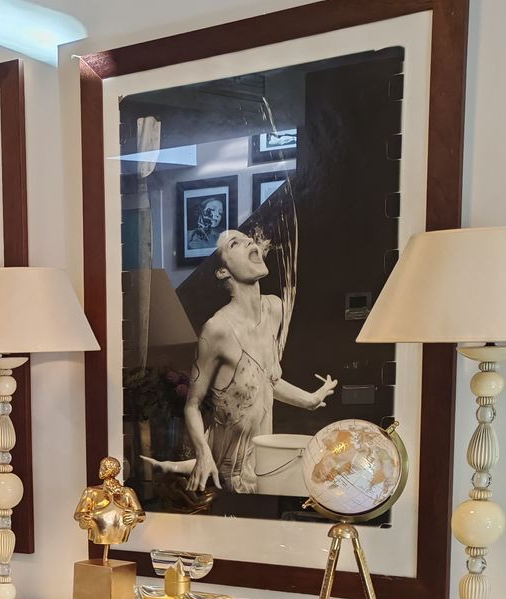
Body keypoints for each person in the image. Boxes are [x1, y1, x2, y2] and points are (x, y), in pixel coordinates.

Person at [145, 226, 336, 494]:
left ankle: (169, 467)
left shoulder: (275, 308)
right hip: (226, 476)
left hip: (262, 466)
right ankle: (170, 467)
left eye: (249, 239)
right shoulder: (217, 329)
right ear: (223, 272)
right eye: (235, 243)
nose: (249, 243)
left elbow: (265, 382)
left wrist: (310, 400)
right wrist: (203, 455)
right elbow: (193, 405)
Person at [74, 457, 144, 554]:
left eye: (105, 468)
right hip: (98, 533)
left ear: (114, 471)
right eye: (101, 467)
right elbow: (77, 514)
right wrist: (84, 517)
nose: (101, 470)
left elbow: (141, 514)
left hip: (120, 533)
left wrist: (135, 515)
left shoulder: (127, 492)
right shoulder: (91, 491)